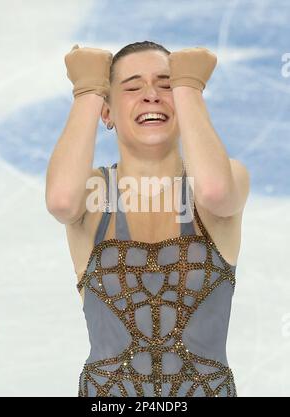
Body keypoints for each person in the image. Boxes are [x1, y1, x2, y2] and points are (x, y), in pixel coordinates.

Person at [45, 41, 250, 397]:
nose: (152, 95)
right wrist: (87, 91)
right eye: (132, 87)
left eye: (167, 85)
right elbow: (61, 200)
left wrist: (190, 87)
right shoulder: (93, 193)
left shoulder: (224, 182)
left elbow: (216, 191)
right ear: (107, 112)